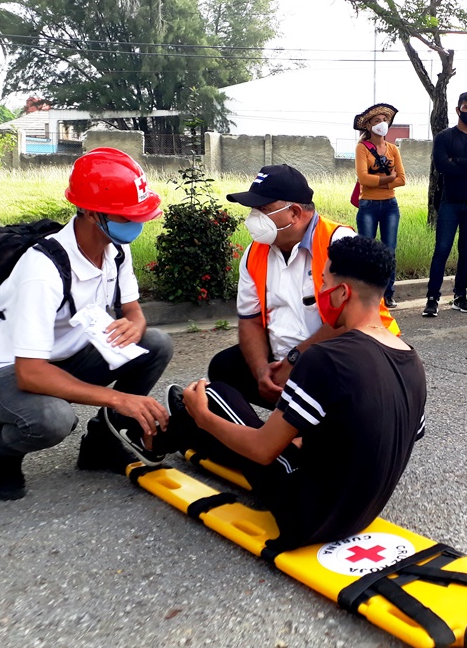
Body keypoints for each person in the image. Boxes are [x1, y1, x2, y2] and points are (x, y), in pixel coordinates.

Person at [106, 236, 427, 552]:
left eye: (323, 282)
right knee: (276, 428)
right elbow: (391, 432)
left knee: (217, 397)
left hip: (306, 515)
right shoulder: (410, 358)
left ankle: (164, 434)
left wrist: (203, 415)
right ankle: (188, 424)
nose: (320, 292)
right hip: (361, 514)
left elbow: (262, 451)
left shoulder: (327, 358)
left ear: (342, 292)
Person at [0, 147, 173, 500]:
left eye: (137, 213)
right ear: (89, 212)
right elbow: (31, 373)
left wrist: (135, 323)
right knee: (52, 419)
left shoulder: (115, 246)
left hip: (64, 357)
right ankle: (0, 452)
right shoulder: (42, 270)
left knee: (156, 343)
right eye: (124, 215)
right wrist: (119, 399)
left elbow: (133, 309)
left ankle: (101, 445)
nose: (135, 222)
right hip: (6, 370)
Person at [208, 165, 398, 409]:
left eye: (263, 209)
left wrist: (295, 360)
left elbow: (353, 322)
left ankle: (285, 432)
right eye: (253, 210)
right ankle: (288, 419)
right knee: (224, 368)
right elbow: (250, 319)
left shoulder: (339, 244)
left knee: (329, 388)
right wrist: (261, 371)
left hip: (339, 358)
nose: (253, 218)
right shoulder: (254, 252)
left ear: (295, 213)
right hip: (285, 359)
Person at [423, 92, 467, 316]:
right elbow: (442, 166)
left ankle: (460, 296)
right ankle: (432, 299)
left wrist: (458, 161)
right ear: (458, 110)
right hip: (449, 202)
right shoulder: (444, 137)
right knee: (442, 250)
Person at [353, 102, 406, 309]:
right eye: (377, 121)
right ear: (368, 126)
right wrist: (387, 179)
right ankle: (367, 294)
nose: (382, 124)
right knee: (367, 250)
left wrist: (382, 181)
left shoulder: (393, 149)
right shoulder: (361, 148)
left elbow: (401, 178)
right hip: (368, 205)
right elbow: (363, 179)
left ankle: (387, 293)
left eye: (384, 120)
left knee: (389, 250)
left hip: (390, 205)